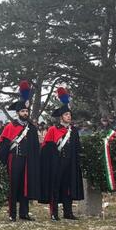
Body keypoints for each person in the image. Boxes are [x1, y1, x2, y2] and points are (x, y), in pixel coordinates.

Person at [0, 80, 40, 220]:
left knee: (25, 186)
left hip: (27, 160)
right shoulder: (10, 127)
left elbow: (35, 147)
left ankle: (24, 213)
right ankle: (12, 213)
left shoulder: (32, 128)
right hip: (14, 159)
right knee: (13, 186)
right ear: (18, 113)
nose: (25, 113)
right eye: (22, 111)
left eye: (26, 111)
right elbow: (2, 145)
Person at [39, 87, 83, 221]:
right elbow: (46, 147)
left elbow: (77, 147)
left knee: (67, 187)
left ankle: (68, 212)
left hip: (70, 162)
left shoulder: (73, 131)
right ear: (61, 117)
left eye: (70, 115)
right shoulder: (53, 130)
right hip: (57, 163)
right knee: (55, 187)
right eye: (66, 115)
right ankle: (54, 213)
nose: (69, 116)